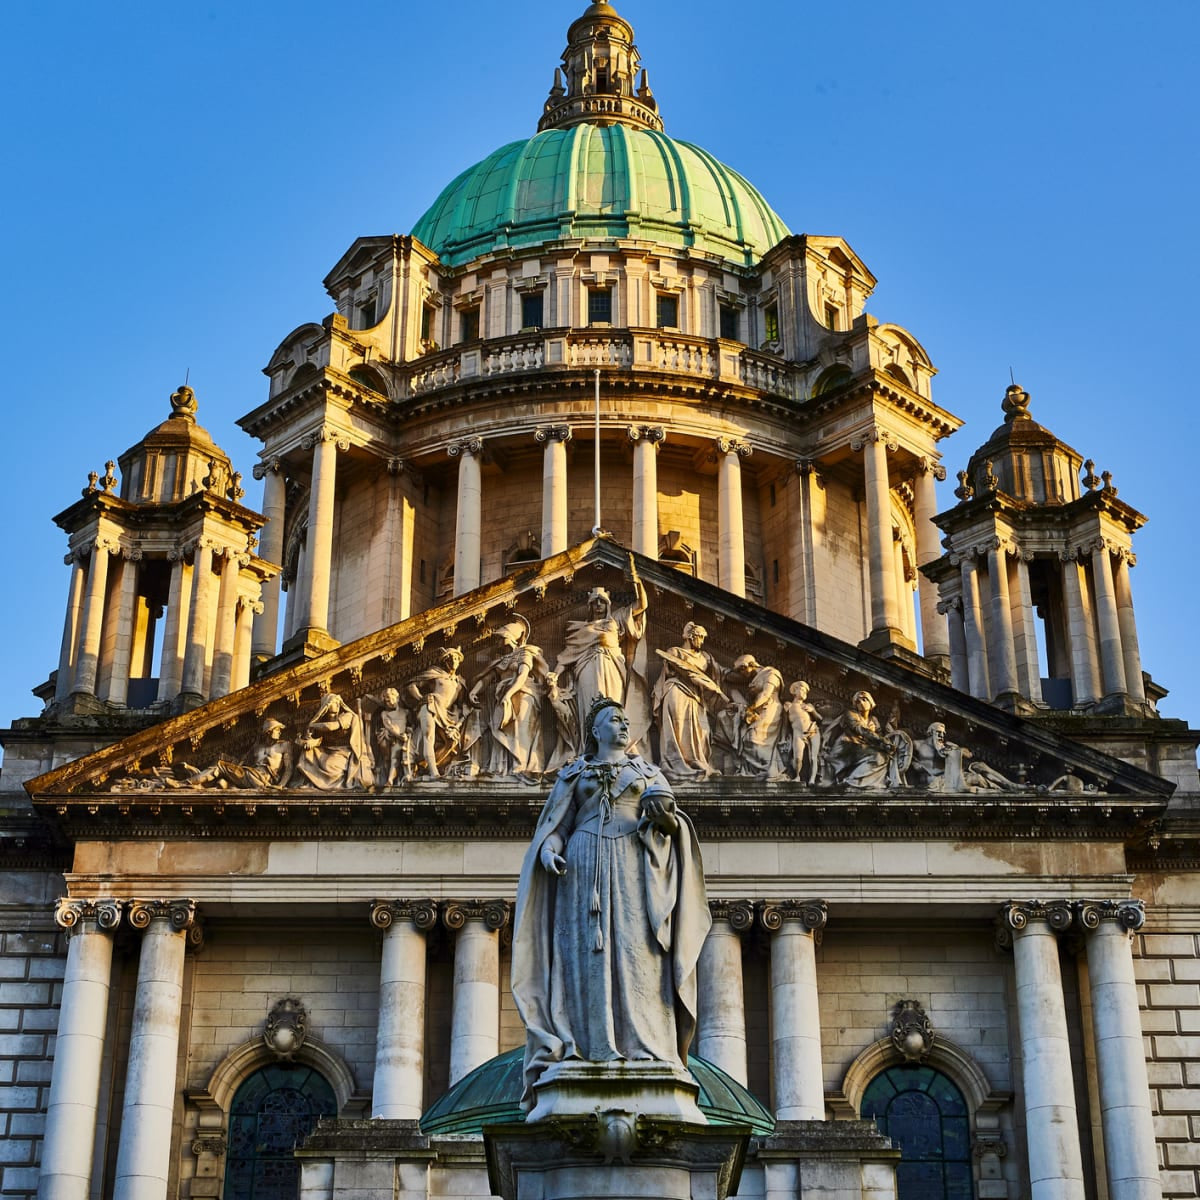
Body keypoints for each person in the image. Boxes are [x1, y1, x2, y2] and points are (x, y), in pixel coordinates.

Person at [511, 698, 710, 1106]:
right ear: (595, 732)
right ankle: (586, 1045)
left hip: (636, 868)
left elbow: (671, 825)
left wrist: (664, 818)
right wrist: (549, 850)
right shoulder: (573, 774)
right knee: (583, 956)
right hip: (582, 868)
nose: (622, 725)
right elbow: (556, 826)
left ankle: (646, 1047)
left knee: (639, 952)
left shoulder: (649, 773)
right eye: (612, 721)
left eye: (624, 720)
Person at [553, 556, 650, 752]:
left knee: (613, 706)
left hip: (612, 667)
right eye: (595, 602)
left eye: (602, 602)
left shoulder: (616, 619)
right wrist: (555, 675)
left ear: (608, 605)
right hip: (587, 668)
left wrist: (636, 580)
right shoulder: (581, 629)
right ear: (589, 606)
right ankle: (591, 750)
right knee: (591, 706)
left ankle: (615, 750)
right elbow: (567, 655)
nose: (598, 605)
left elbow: (641, 605)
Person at [469, 618, 551, 778]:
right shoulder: (501, 660)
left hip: (523, 694)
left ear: (511, 637)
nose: (498, 641)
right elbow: (487, 679)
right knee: (498, 729)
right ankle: (502, 768)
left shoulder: (525, 653)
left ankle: (521, 766)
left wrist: (509, 694)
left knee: (521, 729)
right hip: (502, 696)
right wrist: (474, 691)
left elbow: (522, 676)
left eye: (501, 637)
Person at [651, 622, 726, 781]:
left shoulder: (706, 658)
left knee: (700, 730)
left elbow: (723, 674)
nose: (702, 642)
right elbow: (675, 670)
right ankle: (674, 763)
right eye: (700, 637)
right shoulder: (674, 652)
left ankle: (698, 762)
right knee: (678, 727)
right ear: (691, 637)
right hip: (677, 691)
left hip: (696, 698)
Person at [164, 717, 295, 789]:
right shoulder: (257, 748)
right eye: (277, 729)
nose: (280, 732)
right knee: (220, 763)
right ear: (269, 731)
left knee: (220, 766)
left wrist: (280, 787)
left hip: (263, 781)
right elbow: (243, 762)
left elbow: (289, 768)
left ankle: (186, 783)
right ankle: (193, 782)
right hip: (249, 776)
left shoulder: (284, 745)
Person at [405, 647, 472, 779]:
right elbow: (411, 686)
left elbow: (461, 703)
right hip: (431, 705)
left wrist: (465, 710)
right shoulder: (435, 673)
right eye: (452, 658)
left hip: (448, 714)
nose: (455, 661)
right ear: (446, 660)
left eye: (457, 658)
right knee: (429, 737)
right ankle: (433, 772)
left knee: (452, 741)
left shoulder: (459, 682)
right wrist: (421, 698)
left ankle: (427, 765)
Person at [295, 693, 373, 789]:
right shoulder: (322, 720)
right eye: (333, 702)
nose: (336, 705)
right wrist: (311, 742)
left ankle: (326, 784)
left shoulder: (348, 716)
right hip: (327, 750)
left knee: (329, 764)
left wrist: (312, 725)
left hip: (344, 751)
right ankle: (309, 782)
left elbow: (331, 727)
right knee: (307, 753)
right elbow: (319, 739)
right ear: (325, 705)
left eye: (337, 703)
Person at [784, 680, 822, 784]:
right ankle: (797, 776)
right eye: (801, 689)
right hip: (798, 733)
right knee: (797, 757)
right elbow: (785, 723)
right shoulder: (788, 705)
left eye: (805, 691)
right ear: (794, 690)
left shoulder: (808, 705)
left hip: (813, 731)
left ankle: (812, 780)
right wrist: (784, 737)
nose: (803, 692)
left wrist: (812, 711)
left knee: (813, 757)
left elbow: (820, 719)